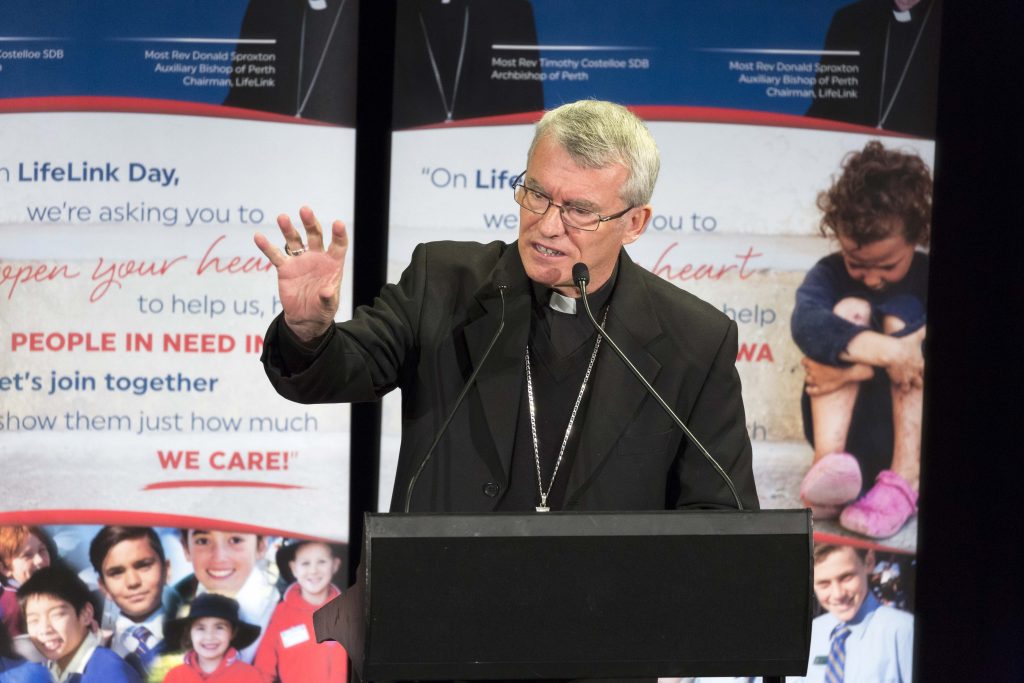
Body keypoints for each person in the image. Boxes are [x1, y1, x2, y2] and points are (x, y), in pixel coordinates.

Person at [255, 99, 758, 514]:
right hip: (446, 609)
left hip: (603, 623)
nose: (547, 224)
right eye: (536, 194)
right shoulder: (446, 282)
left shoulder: (696, 340)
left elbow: (720, 515)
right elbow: (343, 369)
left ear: (634, 223)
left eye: (579, 210)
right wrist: (308, 330)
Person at [792, 140, 930, 538]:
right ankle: (829, 467)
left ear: (916, 237)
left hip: (905, 437)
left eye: (887, 265)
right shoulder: (830, 273)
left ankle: (906, 482)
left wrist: (852, 372)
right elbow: (807, 323)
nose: (871, 278)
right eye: (857, 262)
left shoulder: (926, 276)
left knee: (904, 313)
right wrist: (888, 353)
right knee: (847, 309)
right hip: (845, 442)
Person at [789, 544, 913, 682]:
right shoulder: (809, 634)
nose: (838, 594)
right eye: (823, 584)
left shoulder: (903, 630)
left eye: (846, 577)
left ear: (869, 562)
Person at [164, 531, 279, 664]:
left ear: (261, 546)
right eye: (203, 541)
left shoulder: (281, 612)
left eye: (235, 540)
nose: (219, 557)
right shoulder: (200, 595)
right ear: (186, 548)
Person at [16, 566, 141, 682]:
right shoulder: (53, 666)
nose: (45, 629)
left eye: (57, 615)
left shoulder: (109, 673)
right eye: (33, 620)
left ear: (86, 614)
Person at [253, 541, 347, 682]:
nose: (313, 570)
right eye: (305, 563)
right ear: (293, 568)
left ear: (335, 565)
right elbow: (264, 668)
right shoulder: (280, 614)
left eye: (321, 561)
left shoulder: (350, 613)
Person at [88, 526, 169, 672]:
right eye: (116, 573)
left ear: (166, 571)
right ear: (103, 587)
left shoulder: (202, 637)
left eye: (143, 566)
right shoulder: (94, 653)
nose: (132, 582)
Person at [163, 593, 264, 683]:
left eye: (219, 627)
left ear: (232, 633)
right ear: (189, 633)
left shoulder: (250, 677)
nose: (209, 636)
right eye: (201, 628)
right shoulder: (175, 677)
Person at [0, 527, 52, 639]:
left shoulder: (49, 592)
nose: (40, 560)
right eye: (27, 555)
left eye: (42, 550)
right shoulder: (12, 606)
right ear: (5, 569)